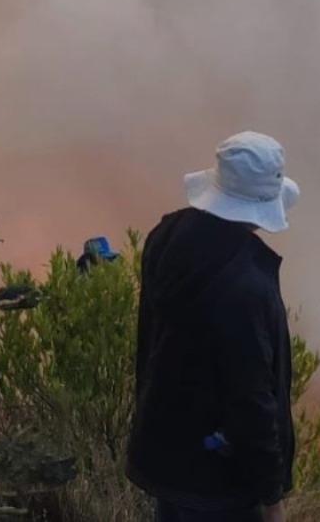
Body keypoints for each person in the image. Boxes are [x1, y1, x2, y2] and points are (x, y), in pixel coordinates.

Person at [127, 132, 300, 522]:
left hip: (169, 451)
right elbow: (252, 398)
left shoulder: (167, 237)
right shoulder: (244, 288)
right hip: (223, 480)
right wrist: (271, 498)